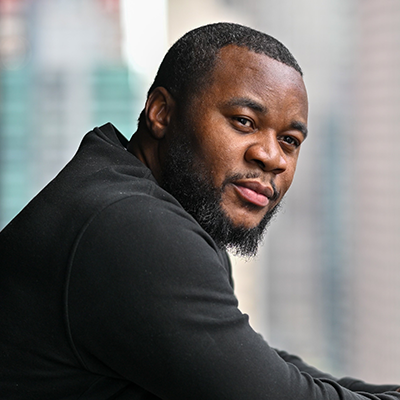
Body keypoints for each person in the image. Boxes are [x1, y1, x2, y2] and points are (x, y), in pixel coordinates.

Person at [0, 22, 398, 400]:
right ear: (161, 112)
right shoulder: (132, 227)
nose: (272, 157)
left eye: (290, 141)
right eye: (244, 121)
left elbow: (255, 364)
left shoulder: (154, 201)